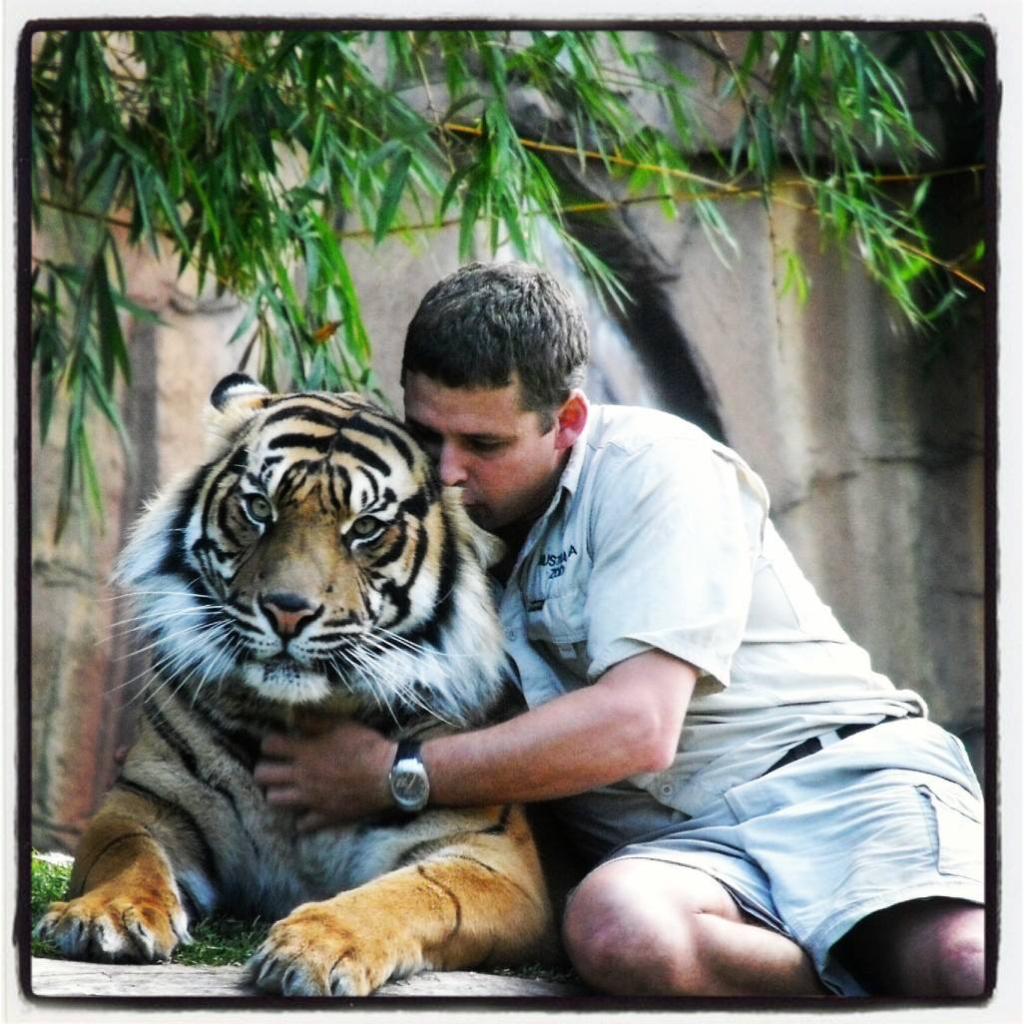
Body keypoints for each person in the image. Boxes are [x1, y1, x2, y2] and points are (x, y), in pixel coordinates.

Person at [253, 261, 986, 997]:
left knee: (961, 961)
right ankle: (862, 987)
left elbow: (639, 727)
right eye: (425, 434)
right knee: (616, 931)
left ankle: (893, 976)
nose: (446, 473)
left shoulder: (656, 467)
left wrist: (395, 774)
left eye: (484, 444)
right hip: (682, 858)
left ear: (568, 421)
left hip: (832, 784)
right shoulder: (415, 520)